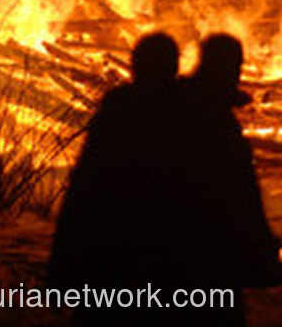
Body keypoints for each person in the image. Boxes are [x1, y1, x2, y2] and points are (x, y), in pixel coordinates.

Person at [48, 32, 188, 324]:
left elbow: (83, 188)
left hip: (112, 253)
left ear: (135, 67)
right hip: (168, 258)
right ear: (174, 67)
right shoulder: (190, 113)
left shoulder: (118, 110)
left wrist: (62, 266)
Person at [175, 33, 282, 326]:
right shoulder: (216, 121)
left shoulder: (178, 104)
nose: (238, 73)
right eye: (235, 66)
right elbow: (242, 194)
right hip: (205, 249)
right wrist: (262, 250)